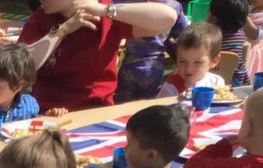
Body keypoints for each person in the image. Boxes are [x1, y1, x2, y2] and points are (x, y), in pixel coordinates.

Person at [18, 0, 178, 114]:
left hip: (97, 112)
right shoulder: (41, 17)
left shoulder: (104, 12)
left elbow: (168, 18)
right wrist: (63, 30)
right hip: (47, 113)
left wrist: (104, 10)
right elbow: (18, 67)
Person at [114, 0, 188, 101]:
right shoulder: (174, 5)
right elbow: (182, 38)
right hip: (154, 67)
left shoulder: (126, 3)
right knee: (149, 104)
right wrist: (178, 61)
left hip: (129, 64)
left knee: (123, 104)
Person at [157, 22, 228, 96]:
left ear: (214, 61)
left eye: (197, 62)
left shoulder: (216, 83)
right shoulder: (171, 86)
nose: (189, 69)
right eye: (182, 61)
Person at [210, 0, 252, 86]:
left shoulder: (210, 38)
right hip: (237, 80)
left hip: (213, 78)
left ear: (214, 17)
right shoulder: (241, 35)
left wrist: (208, 24)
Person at [246, 0, 263, 80]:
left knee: (249, 80)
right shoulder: (250, 8)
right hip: (240, 49)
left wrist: (243, 16)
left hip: (253, 54)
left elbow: (256, 35)